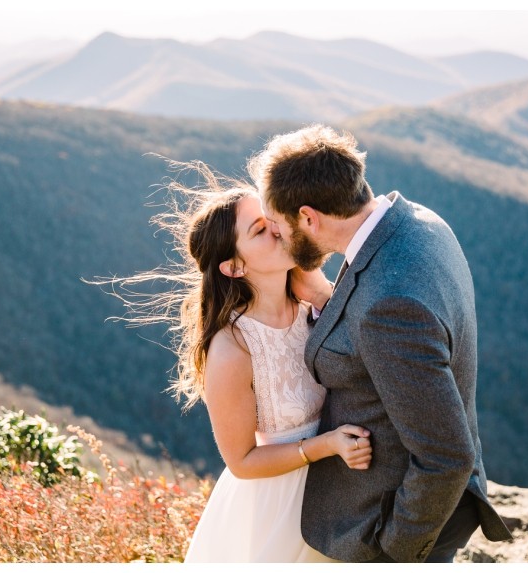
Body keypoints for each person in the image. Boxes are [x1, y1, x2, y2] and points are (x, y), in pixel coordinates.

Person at [247, 124, 513, 563]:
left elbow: (447, 456)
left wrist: (395, 550)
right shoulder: (419, 222)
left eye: (278, 226)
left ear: (309, 218)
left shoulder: (388, 305)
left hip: (390, 523)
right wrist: (321, 298)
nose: (278, 237)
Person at [98, 160, 373, 562]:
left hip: (342, 490)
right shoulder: (233, 348)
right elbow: (242, 461)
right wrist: (326, 446)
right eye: (261, 230)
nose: (278, 228)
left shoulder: (311, 303)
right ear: (234, 266)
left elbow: (367, 358)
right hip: (278, 510)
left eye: (271, 218)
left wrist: (323, 297)